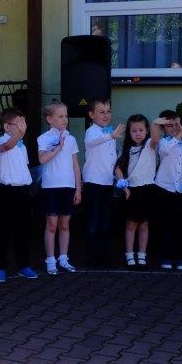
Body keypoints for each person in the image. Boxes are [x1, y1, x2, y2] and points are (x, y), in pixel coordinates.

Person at [0, 109, 38, 282]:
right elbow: (6, 147)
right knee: (2, 231)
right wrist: (19, 135)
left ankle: (23, 265)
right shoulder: (0, 140)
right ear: (6, 126)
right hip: (6, 192)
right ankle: (0, 267)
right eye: (19, 124)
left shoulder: (22, 146)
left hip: (22, 191)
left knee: (22, 230)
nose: (22, 128)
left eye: (24, 124)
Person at [37, 101, 81, 275]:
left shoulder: (71, 139)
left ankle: (63, 258)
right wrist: (58, 147)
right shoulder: (43, 138)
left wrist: (78, 189)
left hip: (68, 186)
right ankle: (50, 260)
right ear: (50, 119)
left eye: (66, 116)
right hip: (51, 187)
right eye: (60, 116)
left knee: (64, 224)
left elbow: (75, 165)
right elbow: (42, 159)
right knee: (52, 225)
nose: (65, 119)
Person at [81, 98, 122, 267]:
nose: (106, 115)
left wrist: (119, 178)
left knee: (105, 221)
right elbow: (92, 141)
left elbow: (112, 159)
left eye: (108, 111)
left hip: (107, 182)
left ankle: (102, 255)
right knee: (94, 221)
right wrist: (110, 136)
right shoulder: (92, 131)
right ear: (91, 114)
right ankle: (91, 256)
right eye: (102, 112)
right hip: (93, 183)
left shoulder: (109, 132)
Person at [115, 114, 157, 268]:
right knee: (131, 224)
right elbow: (118, 168)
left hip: (147, 189)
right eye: (134, 131)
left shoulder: (150, 146)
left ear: (147, 131)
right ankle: (129, 254)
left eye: (141, 130)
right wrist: (123, 186)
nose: (138, 134)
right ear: (129, 132)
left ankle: (142, 255)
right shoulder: (125, 148)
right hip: (131, 190)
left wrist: (155, 123)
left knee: (144, 224)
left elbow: (156, 138)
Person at [152, 110, 182, 270]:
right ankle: (166, 256)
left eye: (177, 124)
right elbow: (165, 151)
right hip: (165, 188)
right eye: (170, 125)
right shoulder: (163, 143)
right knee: (166, 224)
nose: (175, 128)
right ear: (163, 128)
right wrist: (178, 136)